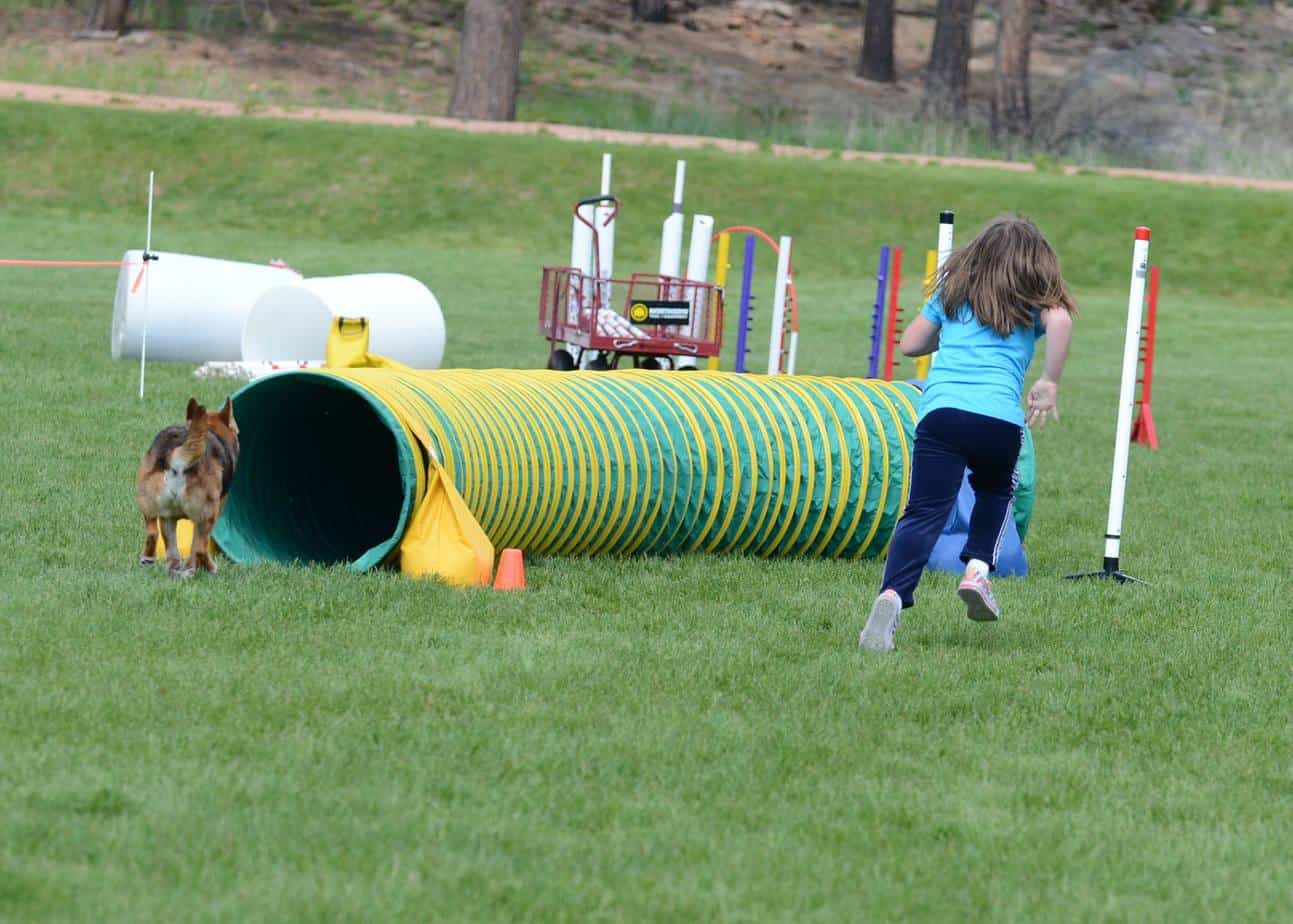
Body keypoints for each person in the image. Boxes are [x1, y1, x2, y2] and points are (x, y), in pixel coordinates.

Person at [860, 216, 1076, 653]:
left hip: (940, 415)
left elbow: (910, 345)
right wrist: (1049, 380)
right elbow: (1061, 320)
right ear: (1037, 265)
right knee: (996, 493)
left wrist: (952, 337)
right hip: (998, 419)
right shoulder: (1033, 302)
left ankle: (892, 596)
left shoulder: (952, 294)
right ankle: (977, 570)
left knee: (922, 511)